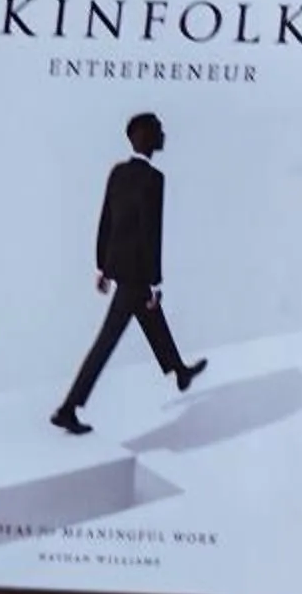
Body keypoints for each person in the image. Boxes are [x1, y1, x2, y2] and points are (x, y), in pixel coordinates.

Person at [51, 112, 206, 435]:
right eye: (160, 131)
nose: (164, 136)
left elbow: (106, 220)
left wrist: (102, 267)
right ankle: (68, 408)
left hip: (119, 269)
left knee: (152, 321)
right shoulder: (154, 179)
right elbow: (152, 233)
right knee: (106, 342)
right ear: (147, 138)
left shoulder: (117, 173)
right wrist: (154, 282)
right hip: (136, 275)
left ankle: (179, 370)